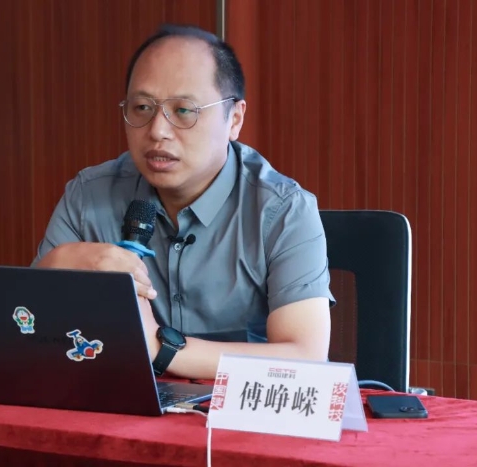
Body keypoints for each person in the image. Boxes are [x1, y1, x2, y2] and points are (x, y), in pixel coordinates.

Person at [32, 24, 334, 380]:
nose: (157, 131)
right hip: (117, 399)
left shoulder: (283, 210)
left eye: (184, 111)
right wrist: (59, 261)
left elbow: (305, 356)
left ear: (234, 119)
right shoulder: (88, 195)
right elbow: (28, 330)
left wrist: (159, 348)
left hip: (232, 408)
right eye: (142, 107)